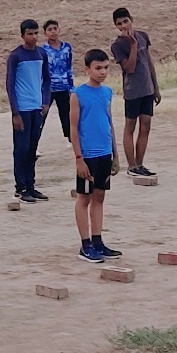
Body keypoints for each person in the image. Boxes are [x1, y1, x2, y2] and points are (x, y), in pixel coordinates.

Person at [69, 49, 123, 263]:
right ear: (87, 69)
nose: (102, 72)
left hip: (105, 153)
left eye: (106, 68)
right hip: (88, 154)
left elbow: (109, 123)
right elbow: (73, 128)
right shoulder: (78, 94)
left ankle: (98, 240)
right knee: (85, 198)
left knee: (99, 196)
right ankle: (85, 245)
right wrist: (78, 158)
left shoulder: (107, 92)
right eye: (98, 68)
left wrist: (116, 155)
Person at [109, 8, 160, 177]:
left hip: (147, 89)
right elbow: (129, 68)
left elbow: (149, 61)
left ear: (131, 19)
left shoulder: (143, 36)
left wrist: (156, 87)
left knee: (145, 126)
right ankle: (131, 166)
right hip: (133, 91)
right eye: (119, 24)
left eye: (125, 21)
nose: (124, 26)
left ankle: (140, 164)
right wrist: (132, 46)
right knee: (130, 127)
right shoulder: (118, 45)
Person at [4, 20, 50, 202]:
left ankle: (31, 185)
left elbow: (47, 80)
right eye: (30, 34)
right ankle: (20, 186)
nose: (34, 37)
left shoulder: (42, 54)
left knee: (32, 148)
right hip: (22, 108)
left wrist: (45, 102)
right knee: (21, 148)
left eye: (36, 33)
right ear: (22, 35)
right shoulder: (16, 56)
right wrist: (15, 112)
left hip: (36, 108)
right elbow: (10, 84)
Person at [43, 19, 76, 143]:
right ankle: (34, 143)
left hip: (64, 86)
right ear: (45, 33)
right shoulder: (43, 50)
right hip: (49, 87)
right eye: (49, 30)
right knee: (42, 115)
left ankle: (71, 140)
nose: (53, 32)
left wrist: (71, 87)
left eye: (55, 29)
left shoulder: (66, 47)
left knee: (67, 114)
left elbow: (69, 67)